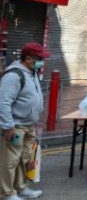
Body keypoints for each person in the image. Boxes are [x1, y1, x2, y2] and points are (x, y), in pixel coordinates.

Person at [0, 42, 49, 200]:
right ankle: (7, 193)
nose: (42, 61)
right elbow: (3, 102)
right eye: (40, 58)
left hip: (28, 126)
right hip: (16, 126)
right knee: (11, 160)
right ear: (28, 58)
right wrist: (8, 127)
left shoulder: (32, 73)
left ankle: (20, 188)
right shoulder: (13, 76)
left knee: (24, 158)